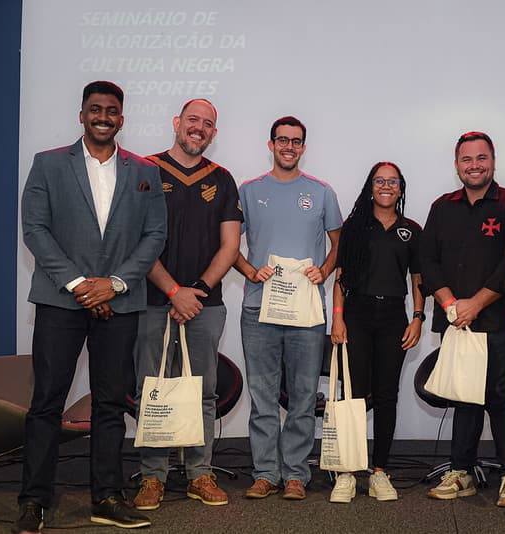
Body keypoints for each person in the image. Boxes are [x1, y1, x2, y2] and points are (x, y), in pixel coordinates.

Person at [17, 80, 167, 533]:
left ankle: (107, 497)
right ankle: (34, 502)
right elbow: (35, 230)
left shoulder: (145, 170)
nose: (104, 116)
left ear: (122, 118)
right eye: (95, 109)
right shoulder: (47, 164)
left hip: (119, 302)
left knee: (108, 404)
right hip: (61, 300)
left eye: (112, 110)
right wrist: (83, 285)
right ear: (82, 114)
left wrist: (114, 284)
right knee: (47, 402)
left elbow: (154, 235)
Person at [132, 99, 242, 511]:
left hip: (205, 305)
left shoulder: (224, 179)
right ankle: (152, 477)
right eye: (193, 120)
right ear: (177, 123)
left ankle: (200, 473)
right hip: (151, 301)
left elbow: (230, 245)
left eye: (208, 124)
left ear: (214, 133)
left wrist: (194, 290)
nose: (199, 128)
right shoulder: (143, 169)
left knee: (203, 391)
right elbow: (135, 239)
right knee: (153, 390)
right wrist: (173, 290)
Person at [235, 116, 342, 501]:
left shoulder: (322, 192)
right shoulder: (249, 190)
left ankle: (295, 474)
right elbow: (228, 244)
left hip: (306, 311)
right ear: (271, 144)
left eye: (296, 141)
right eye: (282, 140)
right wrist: (250, 270)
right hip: (258, 307)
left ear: (303, 147)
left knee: (302, 397)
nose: (289, 147)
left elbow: (338, 242)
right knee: (262, 397)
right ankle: (265, 473)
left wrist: (324, 270)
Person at [420, 131, 505, 507]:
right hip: (457, 322)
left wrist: (476, 304)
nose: (474, 165)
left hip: (498, 321)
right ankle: (461, 471)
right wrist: (451, 302)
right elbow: (426, 260)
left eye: (481, 158)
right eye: (467, 160)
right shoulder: (442, 207)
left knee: (500, 399)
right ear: (457, 165)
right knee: (465, 399)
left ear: (493, 161)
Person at [329, 162, 425, 503]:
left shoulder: (411, 230)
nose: (386, 186)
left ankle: (380, 471)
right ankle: (347, 471)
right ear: (371, 186)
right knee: (352, 396)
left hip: (392, 318)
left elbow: (417, 279)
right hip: (356, 315)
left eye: (393, 181)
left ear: (400, 188)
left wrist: (417, 318)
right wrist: (337, 318)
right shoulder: (355, 227)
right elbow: (341, 275)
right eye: (379, 181)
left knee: (387, 396)